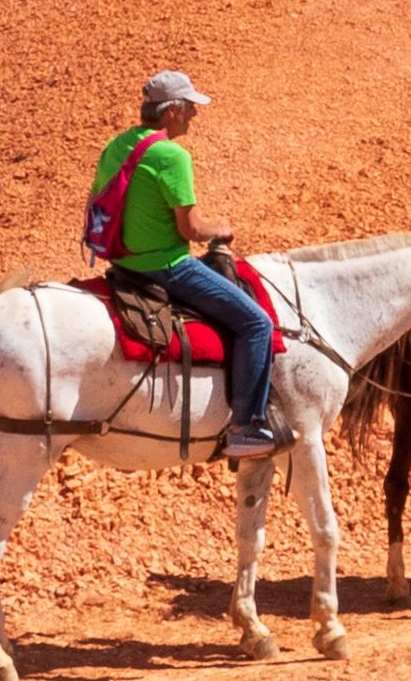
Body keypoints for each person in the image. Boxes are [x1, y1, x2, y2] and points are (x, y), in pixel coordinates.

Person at [95, 70, 283, 459]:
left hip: (123, 262)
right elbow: (192, 228)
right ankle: (246, 428)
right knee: (256, 323)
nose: (194, 116)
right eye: (190, 108)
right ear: (172, 112)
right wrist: (222, 228)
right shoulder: (171, 155)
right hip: (165, 265)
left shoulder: (118, 145)